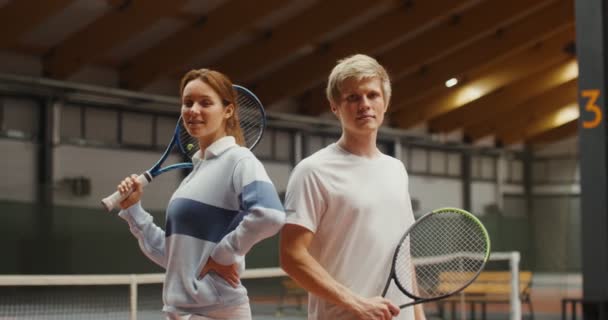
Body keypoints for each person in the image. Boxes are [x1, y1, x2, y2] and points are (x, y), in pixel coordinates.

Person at [115, 68, 285, 320]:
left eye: (205, 103)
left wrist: (223, 254)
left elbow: (270, 214)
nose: (193, 110)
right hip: (181, 311)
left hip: (216, 311)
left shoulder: (239, 160)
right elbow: (174, 257)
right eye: (188, 103)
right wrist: (133, 209)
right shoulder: (197, 172)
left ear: (228, 110)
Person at [279, 54, 426, 320]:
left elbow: (404, 254)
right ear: (335, 106)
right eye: (353, 98)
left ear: (385, 101)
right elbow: (291, 256)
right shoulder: (313, 171)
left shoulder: (396, 170)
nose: (365, 105)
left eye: (372, 95)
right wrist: (357, 303)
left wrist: (419, 316)